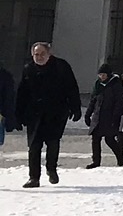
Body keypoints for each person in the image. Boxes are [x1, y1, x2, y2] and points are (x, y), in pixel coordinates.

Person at [15, 42, 81, 188]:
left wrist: (75, 108)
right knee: (34, 146)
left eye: (42, 54)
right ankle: (34, 177)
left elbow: (72, 87)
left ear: (49, 54)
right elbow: (22, 93)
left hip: (56, 112)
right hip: (34, 114)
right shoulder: (29, 69)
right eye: (36, 55)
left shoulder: (61, 67)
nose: (39, 57)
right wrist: (18, 115)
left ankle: (51, 169)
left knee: (53, 142)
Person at [85, 64, 123, 168]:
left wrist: (115, 116)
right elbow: (93, 100)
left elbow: (119, 102)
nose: (102, 77)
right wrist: (88, 114)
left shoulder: (116, 85)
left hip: (110, 116)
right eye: (100, 75)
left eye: (104, 74)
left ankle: (121, 159)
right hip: (98, 116)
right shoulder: (98, 85)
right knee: (95, 139)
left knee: (109, 139)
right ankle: (96, 162)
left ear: (108, 74)